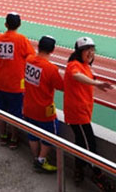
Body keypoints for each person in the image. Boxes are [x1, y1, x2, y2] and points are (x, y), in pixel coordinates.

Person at [63, 37, 114, 191]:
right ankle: (97, 175)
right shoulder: (74, 65)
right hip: (77, 114)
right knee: (90, 145)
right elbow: (75, 75)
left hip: (83, 111)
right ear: (79, 52)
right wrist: (96, 83)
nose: (91, 53)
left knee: (81, 142)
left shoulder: (85, 65)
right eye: (87, 50)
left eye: (92, 50)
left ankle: (78, 168)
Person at [0, 12, 35, 149]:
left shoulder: (0, 38)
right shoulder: (21, 39)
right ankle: (14, 138)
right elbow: (31, 56)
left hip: (0, 80)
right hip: (15, 84)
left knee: (1, 111)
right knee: (15, 113)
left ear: (5, 24)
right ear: (20, 24)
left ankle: (3, 135)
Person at [23, 36, 64, 173]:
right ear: (52, 50)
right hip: (44, 110)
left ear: (39, 46)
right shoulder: (51, 69)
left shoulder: (28, 61)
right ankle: (41, 160)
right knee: (52, 133)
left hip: (28, 106)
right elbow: (61, 86)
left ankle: (36, 158)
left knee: (33, 133)